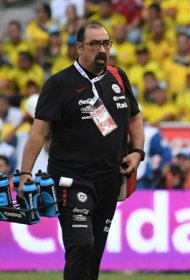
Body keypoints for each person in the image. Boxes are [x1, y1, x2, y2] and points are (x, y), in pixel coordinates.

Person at [18, 22, 145, 280]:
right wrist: (25, 173)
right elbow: (38, 132)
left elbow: (135, 118)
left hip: (110, 180)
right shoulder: (59, 84)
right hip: (71, 180)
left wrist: (137, 152)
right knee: (81, 245)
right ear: (79, 48)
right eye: (95, 43)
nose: (102, 49)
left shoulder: (118, 77)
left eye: (106, 43)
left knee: (95, 252)